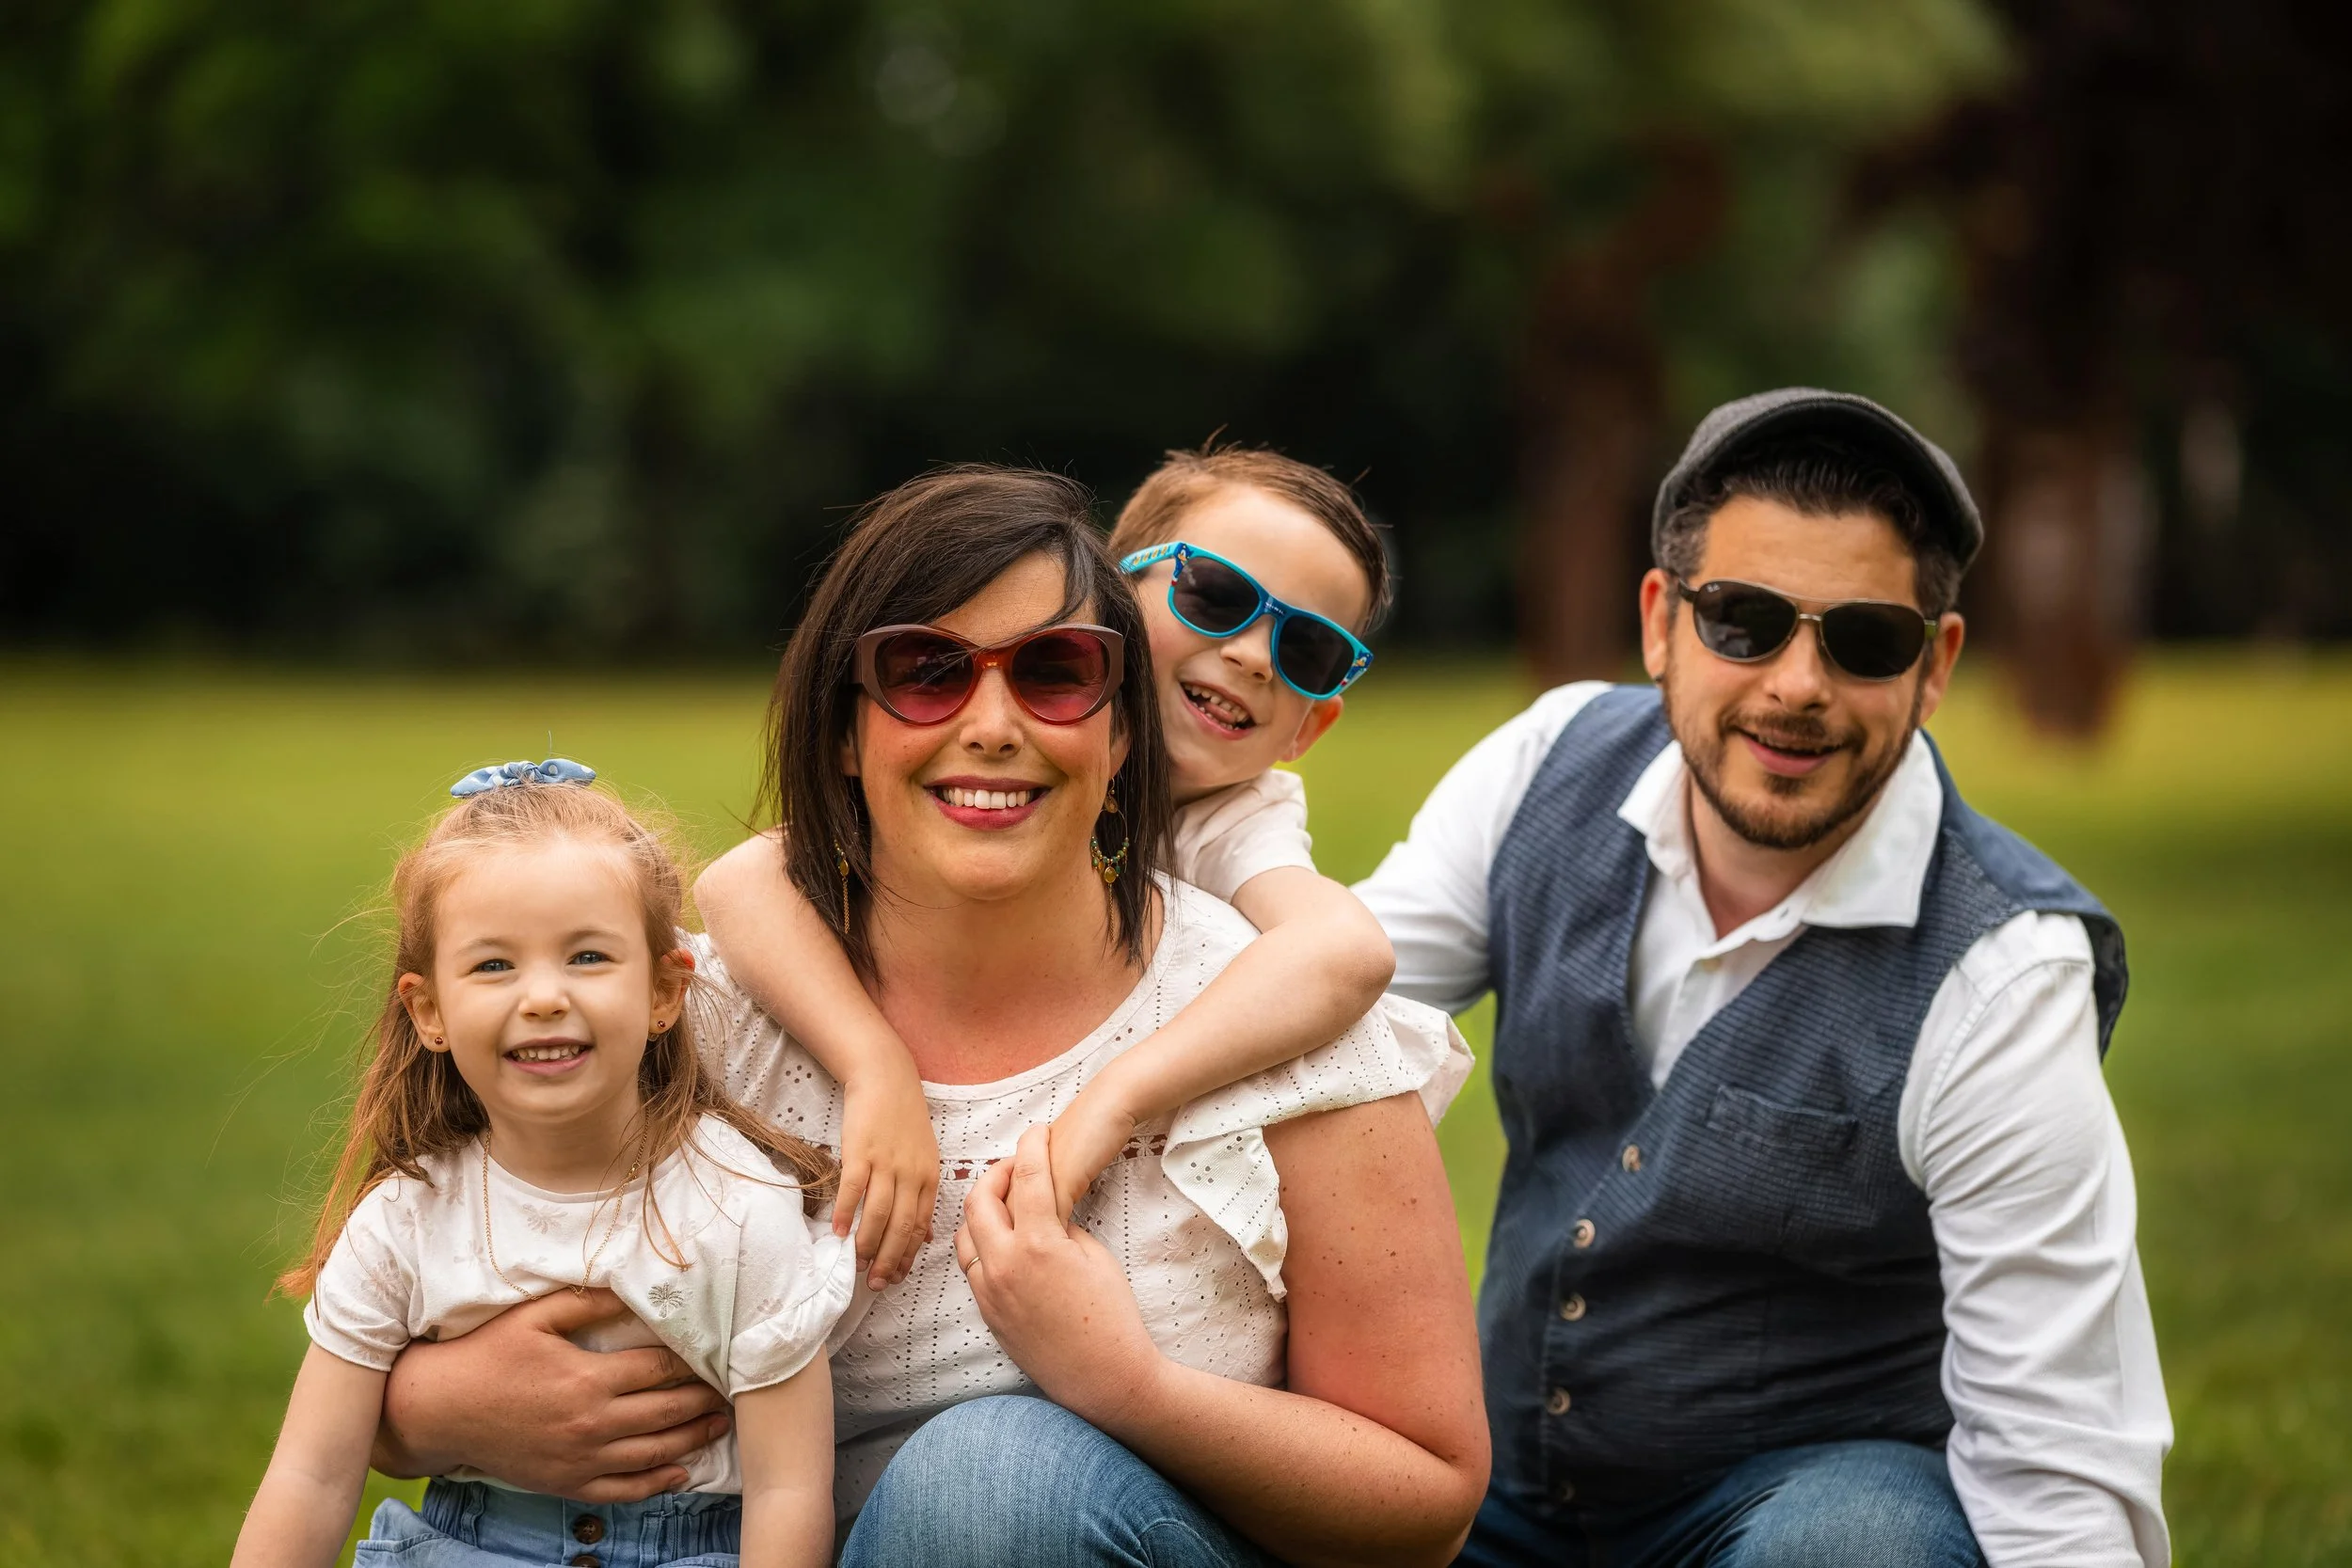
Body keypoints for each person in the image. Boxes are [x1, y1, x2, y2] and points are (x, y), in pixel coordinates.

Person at [369, 467, 1490, 1566]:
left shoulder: (1283, 1013)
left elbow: (1425, 1501)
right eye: (924, 671)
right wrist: (433, 1406)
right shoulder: (689, 1017)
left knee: (991, 1480)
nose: (992, 723)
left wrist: (1132, 1391)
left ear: (1122, 732)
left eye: (1057, 672)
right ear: (844, 732)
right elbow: (377, 1321)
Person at [1359, 389, 2171, 1567]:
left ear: (1934, 667)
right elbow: (1315, 1024)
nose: (1797, 683)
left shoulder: (2001, 973)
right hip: (1491, 1485)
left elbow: (2060, 1460)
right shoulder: (1543, 765)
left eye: (1864, 638)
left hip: (1798, 1516)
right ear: (1658, 622)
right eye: (1742, 619)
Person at [694, 442, 1454, 1269]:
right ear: (1110, 601)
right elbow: (740, 879)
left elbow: (1345, 953)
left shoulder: (1240, 819)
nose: (1250, 653)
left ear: (1311, 726)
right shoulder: (1011, 738)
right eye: (1217, 596)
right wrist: (872, 1061)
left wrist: (1118, 1097)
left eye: (1307, 648)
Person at [234, 768, 852, 1568]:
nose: (543, 997)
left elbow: (789, 1491)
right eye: (494, 966)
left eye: (588, 955)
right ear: (430, 1012)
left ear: (665, 989)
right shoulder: (404, 1218)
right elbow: (311, 1477)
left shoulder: (735, 1208)